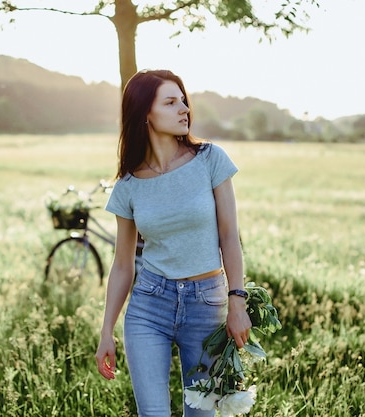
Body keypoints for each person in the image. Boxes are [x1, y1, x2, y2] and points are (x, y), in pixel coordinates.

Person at [95, 69, 252, 417]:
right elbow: (123, 264)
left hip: (207, 306)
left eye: (183, 100)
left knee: (202, 413)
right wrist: (106, 331)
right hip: (150, 305)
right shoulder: (129, 184)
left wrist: (237, 301)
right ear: (145, 114)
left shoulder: (210, 159)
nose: (184, 108)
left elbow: (229, 236)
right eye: (170, 102)